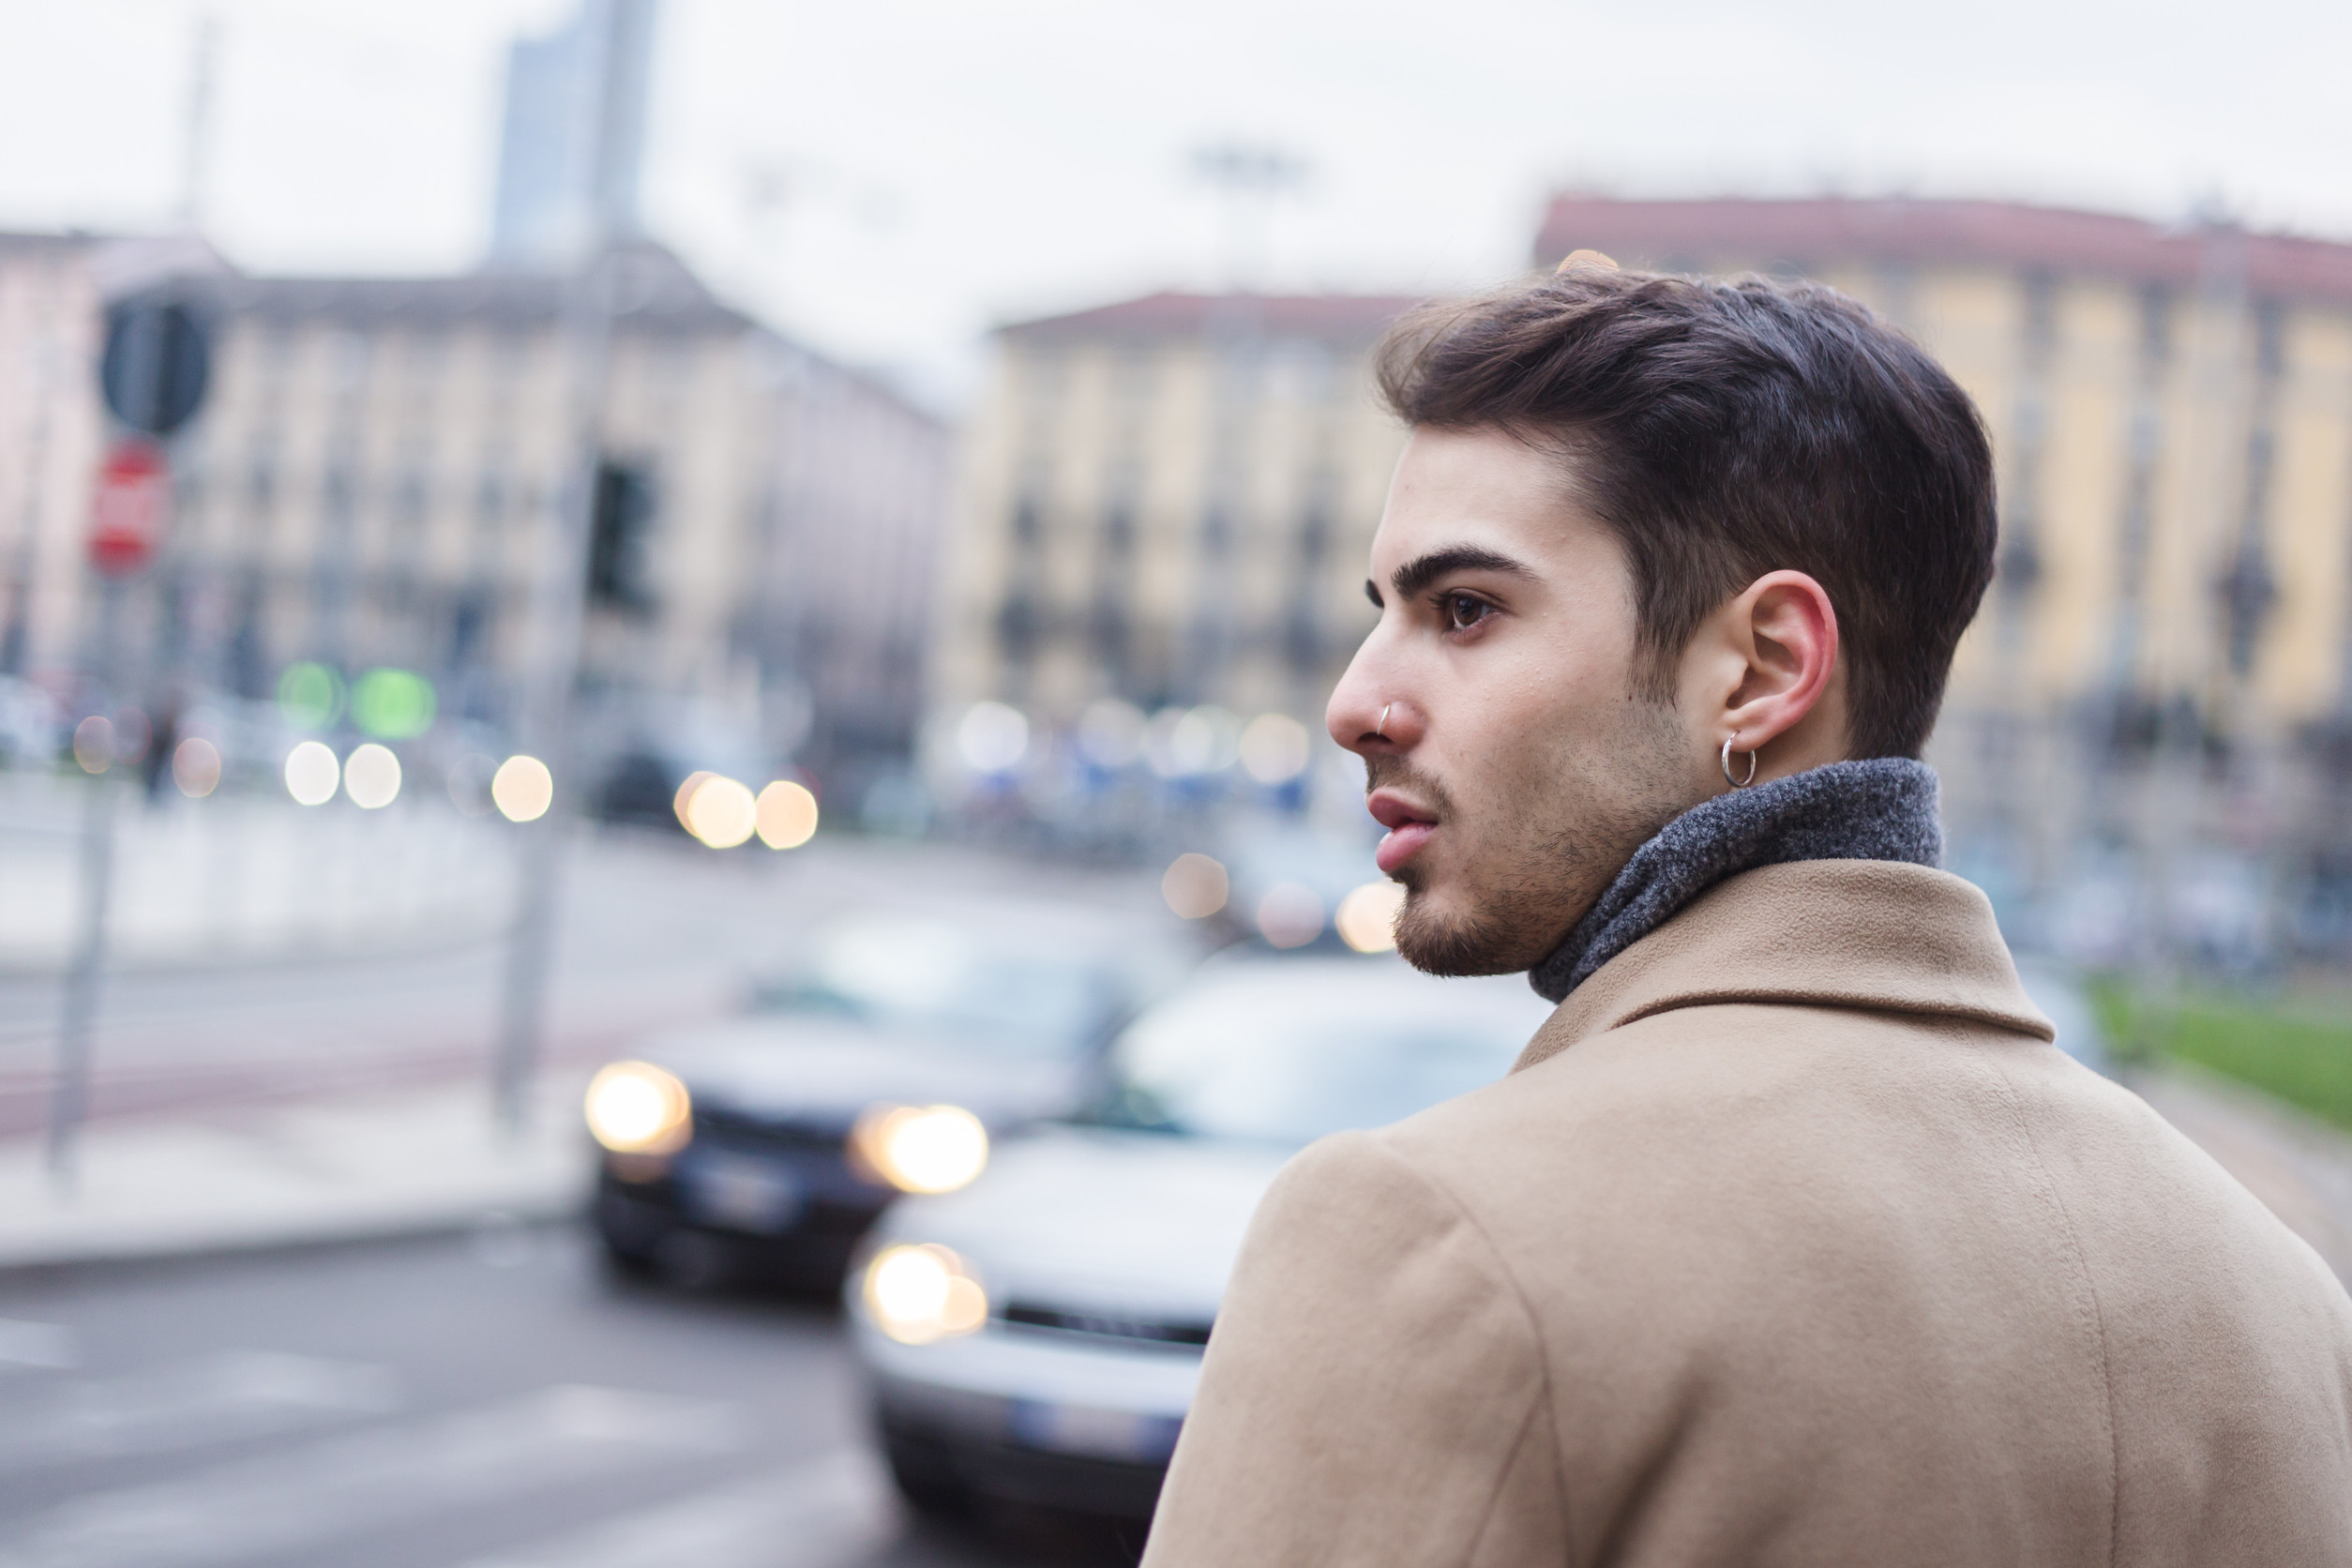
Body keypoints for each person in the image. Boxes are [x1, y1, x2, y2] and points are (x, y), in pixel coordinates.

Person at [1141, 260, 2352, 1566]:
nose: (1355, 702)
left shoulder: (1435, 1235)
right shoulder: (2281, 1308)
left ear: (1766, 669)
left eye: (1466, 610)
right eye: (1385, 615)